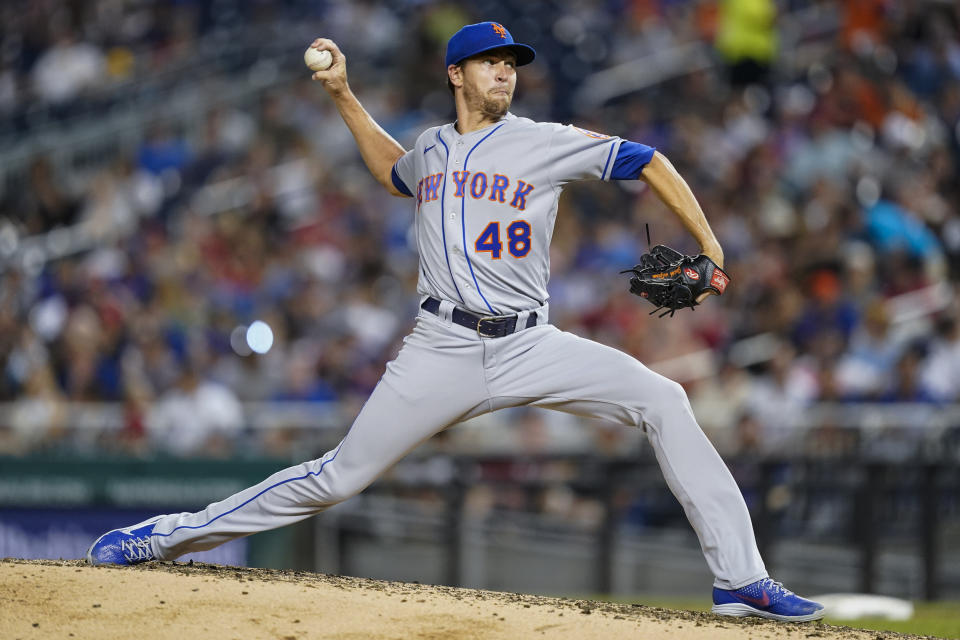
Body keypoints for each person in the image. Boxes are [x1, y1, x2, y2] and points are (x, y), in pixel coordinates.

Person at [87, 22, 824, 622]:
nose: (505, 73)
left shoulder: (544, 140)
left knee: (665, 400)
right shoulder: (433, 148)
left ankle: (742, 579)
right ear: (456, 75)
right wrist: (344, 94)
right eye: (490, 63)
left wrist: (710, 242)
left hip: (532, 341)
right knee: (338, 476)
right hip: (440, 346)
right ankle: (167, 538)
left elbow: (648, 160)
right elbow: (393, 171)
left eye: (510, 64)